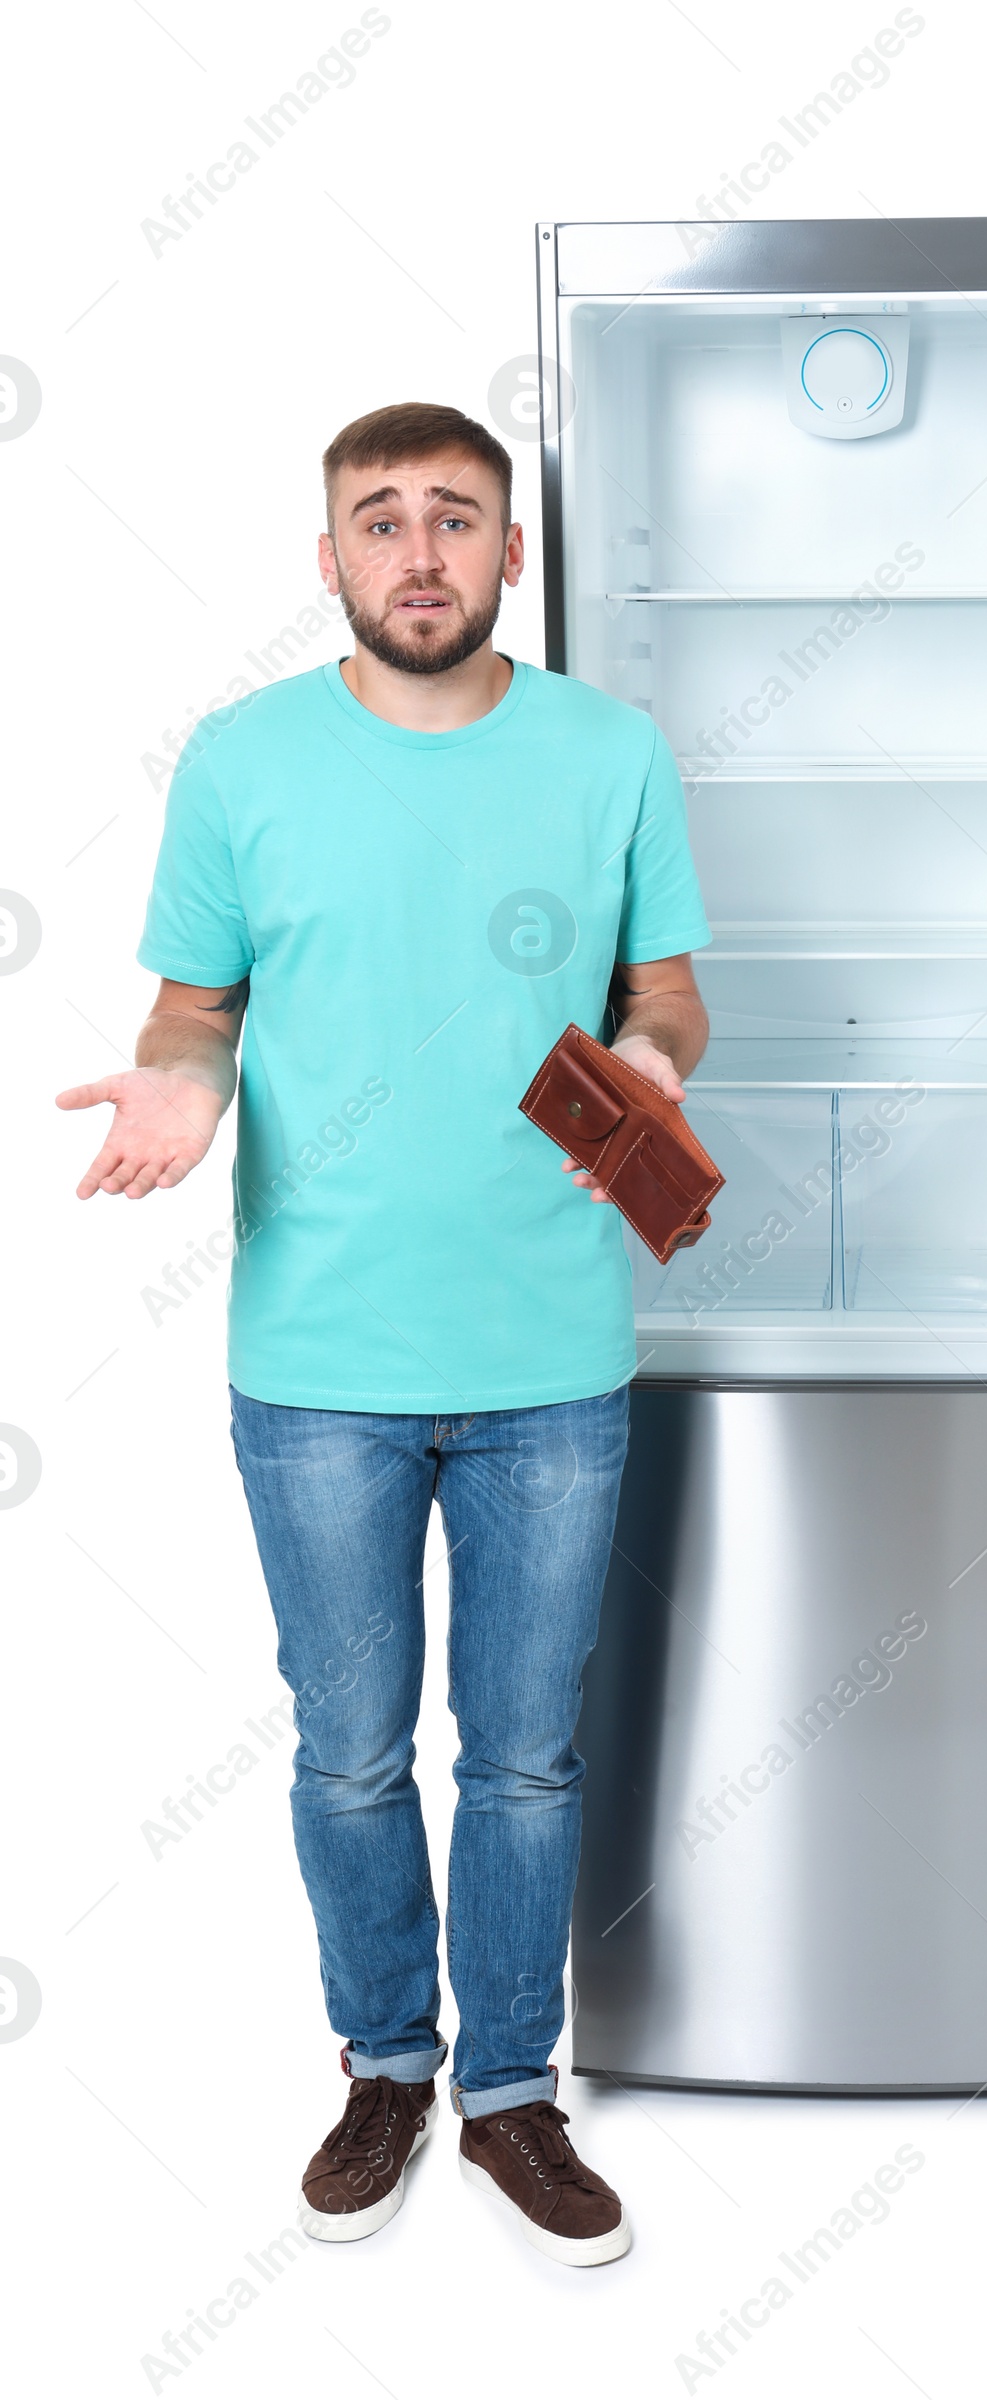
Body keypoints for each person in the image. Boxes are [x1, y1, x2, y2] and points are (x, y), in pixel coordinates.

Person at [57, 402, 710, 2266]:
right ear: (327, 558)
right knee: (350, 1753)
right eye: (380, 521)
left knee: (522, 1758)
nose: (419, 552)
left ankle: (510, 2097)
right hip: (321, 1364)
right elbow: (194, 1011)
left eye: (457, 520)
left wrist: (650, 1074)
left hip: (556, 1361)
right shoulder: (244, 758)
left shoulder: (610, 752)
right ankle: (387, 2068)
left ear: (514, 555)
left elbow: (668, 996)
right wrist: (186, 1087)